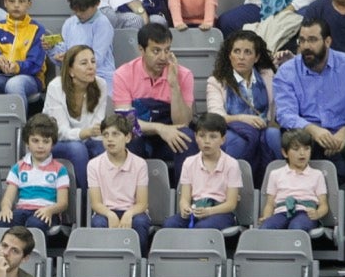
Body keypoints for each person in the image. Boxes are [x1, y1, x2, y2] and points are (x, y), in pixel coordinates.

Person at [274, 17, 345, 233]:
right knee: (278, 137)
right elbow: (285, 114)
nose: (306, 46)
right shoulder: (287, 71)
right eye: (302, 41)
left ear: (327, 41)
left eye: (312, 40)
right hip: (306, 137)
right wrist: (312, 129)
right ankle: (285, 207)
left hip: (343, 135)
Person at [112, 23, 198, 177]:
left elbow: (183, 121)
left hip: (171, 132)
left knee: (187, 137)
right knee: (128, 137)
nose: (163, 57)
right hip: (140, 132)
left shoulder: (184, 75)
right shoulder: (123, 74)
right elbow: (125, 121)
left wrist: (174, 85)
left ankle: (184, 195)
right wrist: (160, 128)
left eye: (167, 50)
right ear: (141, 50)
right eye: (156, 51)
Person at [206, 30, 281, 181]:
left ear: (256, 57)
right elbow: (216, 118)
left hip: (264, 127)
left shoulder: (268, 76)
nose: (241, 57)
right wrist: (241, 118)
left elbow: (277, 110)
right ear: (229, 55)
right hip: (232, 128)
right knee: (237, 140)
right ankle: (233, 187)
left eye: (247, 52)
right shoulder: (217, 81)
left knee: (273, 136)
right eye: (237, 51)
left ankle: (273, 186)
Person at [161, 113, 242, 230]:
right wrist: (185, 207)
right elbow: (185, 198)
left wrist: (209, 211)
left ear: (223, 139)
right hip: (197, 208)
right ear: (195, 137)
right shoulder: (189, 162)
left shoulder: (231, 164)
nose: (207, 141)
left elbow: (231, 203)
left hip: (220, 212)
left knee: (203, 227)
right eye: (202, 136)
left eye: (213, 137)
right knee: (170, 224)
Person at [45, 44, 108, 188]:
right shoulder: (56, 87)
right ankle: (86, 200)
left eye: (93, 61)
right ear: (71, 71)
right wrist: (84, 133)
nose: (91, 67)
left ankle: (107, 198)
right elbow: (60, 131)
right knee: (77, 149)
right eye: (84, 63)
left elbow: (97, 129)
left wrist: (95, 135)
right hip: (54, 141)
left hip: (87, 139)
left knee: (103, 147)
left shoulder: (101, 85)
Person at [0, 113, 69, 234]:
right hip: (22, 210)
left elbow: (63, 203)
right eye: (35, 141)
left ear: (53, 144)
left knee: (34, 224)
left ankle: (35, 253)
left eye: (46, 141)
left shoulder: (60, 169)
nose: (40, 146)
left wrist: (49, 210)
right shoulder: (18, 168)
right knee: (1, 222)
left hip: (47, 212)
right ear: (27, 142)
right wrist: (5, 208)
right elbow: (8, 198)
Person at [88, 114, 151, 255]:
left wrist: (129, 214)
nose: (110, 139)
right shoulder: (93, 165)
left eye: (115, 134)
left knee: (140, 223)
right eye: (105, 135)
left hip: (133, 211)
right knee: (99, 223)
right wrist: (110, 214)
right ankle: (104, 265)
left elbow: (142, 203)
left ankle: (138, 264)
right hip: (105, 211)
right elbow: (96, 203)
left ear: (127, 137)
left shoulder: (140, 164)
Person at [260, 129, 330, 233]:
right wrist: (266, 217)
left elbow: (324, 204)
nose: (302, 153)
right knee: (266, 228)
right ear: (285, 153)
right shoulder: (275, 174)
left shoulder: (317, 175)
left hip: (305, 213)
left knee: (297, 227)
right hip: (281, 212)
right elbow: (270, 204)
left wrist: (318, 213)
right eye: (296, 149)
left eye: (307, 149)